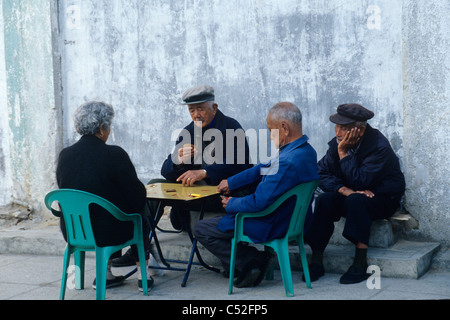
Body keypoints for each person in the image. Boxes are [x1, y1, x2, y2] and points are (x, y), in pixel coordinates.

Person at [112, 84, 254, 267]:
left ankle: (235, 256)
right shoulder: (188, 132)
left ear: (214, 107)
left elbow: (241, 164)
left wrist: (205, 172)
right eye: (191, 110)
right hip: (191, 194)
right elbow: (166, 169)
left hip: (219, 192)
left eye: (201, 109)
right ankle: (139, 248)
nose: (196, 114)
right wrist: (178, 160)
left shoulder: (232, 127)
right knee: (152, 188)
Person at [194, 102, 319, 288]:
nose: (269, 136)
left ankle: (252, 260)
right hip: (292, 219)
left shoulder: (286, 162)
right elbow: (263, 168)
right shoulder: (306, 151)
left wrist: (232, 203)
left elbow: (258, 203)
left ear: (284, 128)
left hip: (271, 222)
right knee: (224, 218)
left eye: (270, 130)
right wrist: (232, 182)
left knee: (201, 228)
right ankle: (246, 263)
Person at [56, 101, 153, 291]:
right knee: (139, 215)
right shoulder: (115, 154)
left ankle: (106, 274)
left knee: (107, 212)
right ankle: (144, 275)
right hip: (108, 232)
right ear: (102, 128)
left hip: (74, 231)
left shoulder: (65, 155)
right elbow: (136, 198)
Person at [304, 103, 406, 284]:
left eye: (344, 128)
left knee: (357, 201)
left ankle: (360, 262)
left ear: (359, 130)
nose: (338, 132)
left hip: (382, 198)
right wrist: (344, 190)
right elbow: (319, 172)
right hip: (353, 194)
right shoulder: (336, 144)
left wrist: (343, 153)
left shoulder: (378, 146)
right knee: (325, 200)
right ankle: (316, 260)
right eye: (336, 126)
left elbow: (362, 181)